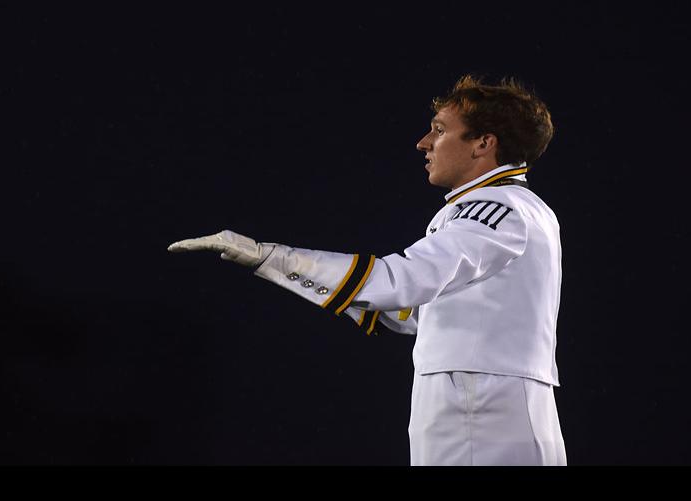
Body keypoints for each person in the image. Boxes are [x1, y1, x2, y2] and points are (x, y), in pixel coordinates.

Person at [168, 75, 566, 466]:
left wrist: (270, 258)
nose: (424, 142)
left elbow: (402, 281)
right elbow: (418, 313)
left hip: (483, 405)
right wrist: (319, 285)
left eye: (440, 130)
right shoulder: (504, 207)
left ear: (483, 143)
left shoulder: (498, 207)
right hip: (482, 399)